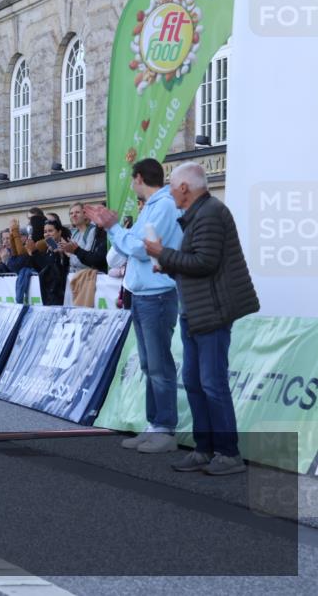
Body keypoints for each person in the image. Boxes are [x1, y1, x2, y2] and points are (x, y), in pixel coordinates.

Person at [146, 162, 259, 476]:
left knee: (212, 384)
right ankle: (205, 448)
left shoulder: (209, 214)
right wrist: (167, 263)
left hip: (210, 313)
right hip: (195, 312)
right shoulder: (200, 214)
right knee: (195, 382)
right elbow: (197, 262)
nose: (170, 191)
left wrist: (163, 254)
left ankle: (228, 453)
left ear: (184, 187)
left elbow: (205, 262)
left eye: (172, 186)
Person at [87, 158, 183, 454]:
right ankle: (154, 424)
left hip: (158, 294)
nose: (132, 186)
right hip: (143, 295)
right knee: (148, 363)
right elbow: (132, 244)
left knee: (158, 364)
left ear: (139, 178)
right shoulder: (155, 206)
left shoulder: (164, 205)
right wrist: (118, 231)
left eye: (132, 180)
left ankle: (165, 428)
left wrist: (114, 227)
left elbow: (139, 249)